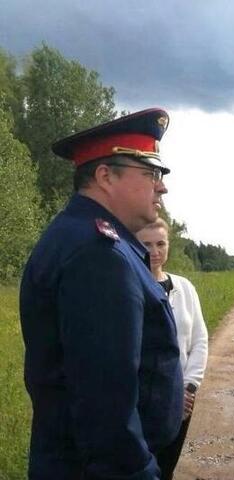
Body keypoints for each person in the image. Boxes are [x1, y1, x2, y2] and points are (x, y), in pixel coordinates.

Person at [19, 108, 184, 479]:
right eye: (151, 173)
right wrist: (137, 472)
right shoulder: (98, 254)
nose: (161, 187)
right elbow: (105, 401)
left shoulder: (86, 237)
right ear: (105, 176)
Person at [136, 218, 209, 480]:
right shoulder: (128, 286)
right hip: (141, 399)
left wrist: (188, 387)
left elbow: (199, 340)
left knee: (166, 468)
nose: (155, 251)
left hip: (182, 399)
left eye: (160, 244)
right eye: (146, 244)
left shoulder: (184, 288)